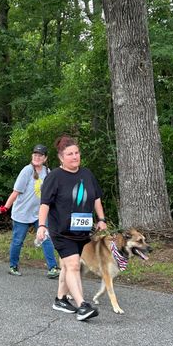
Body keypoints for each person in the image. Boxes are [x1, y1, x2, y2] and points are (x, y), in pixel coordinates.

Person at [37, 135, 107, 321]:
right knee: (74, 265)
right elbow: (45, 204)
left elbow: (96, 198)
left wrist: (101, 219)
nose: (75, 157)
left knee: (68, 266)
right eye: (70, 154)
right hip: (61, 230)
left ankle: (60, 299)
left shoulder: (87, 174)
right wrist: (41, 225)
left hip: (82, 231)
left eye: (77, 153)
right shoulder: (54, 177)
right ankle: (82, 305)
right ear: (61, 157)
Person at [0, 144, 60, 278]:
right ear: (32, 156)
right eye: (35, 155)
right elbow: (15, 192)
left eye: (40, 155)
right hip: (22, 213)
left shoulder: (48, 172)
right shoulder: (27, 171)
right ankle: (13, 266)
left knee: (46, 239)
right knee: (18, 240)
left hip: (39, 214)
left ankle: (53, 268)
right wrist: (5, 207)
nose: (37, 157)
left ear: (45, 158)